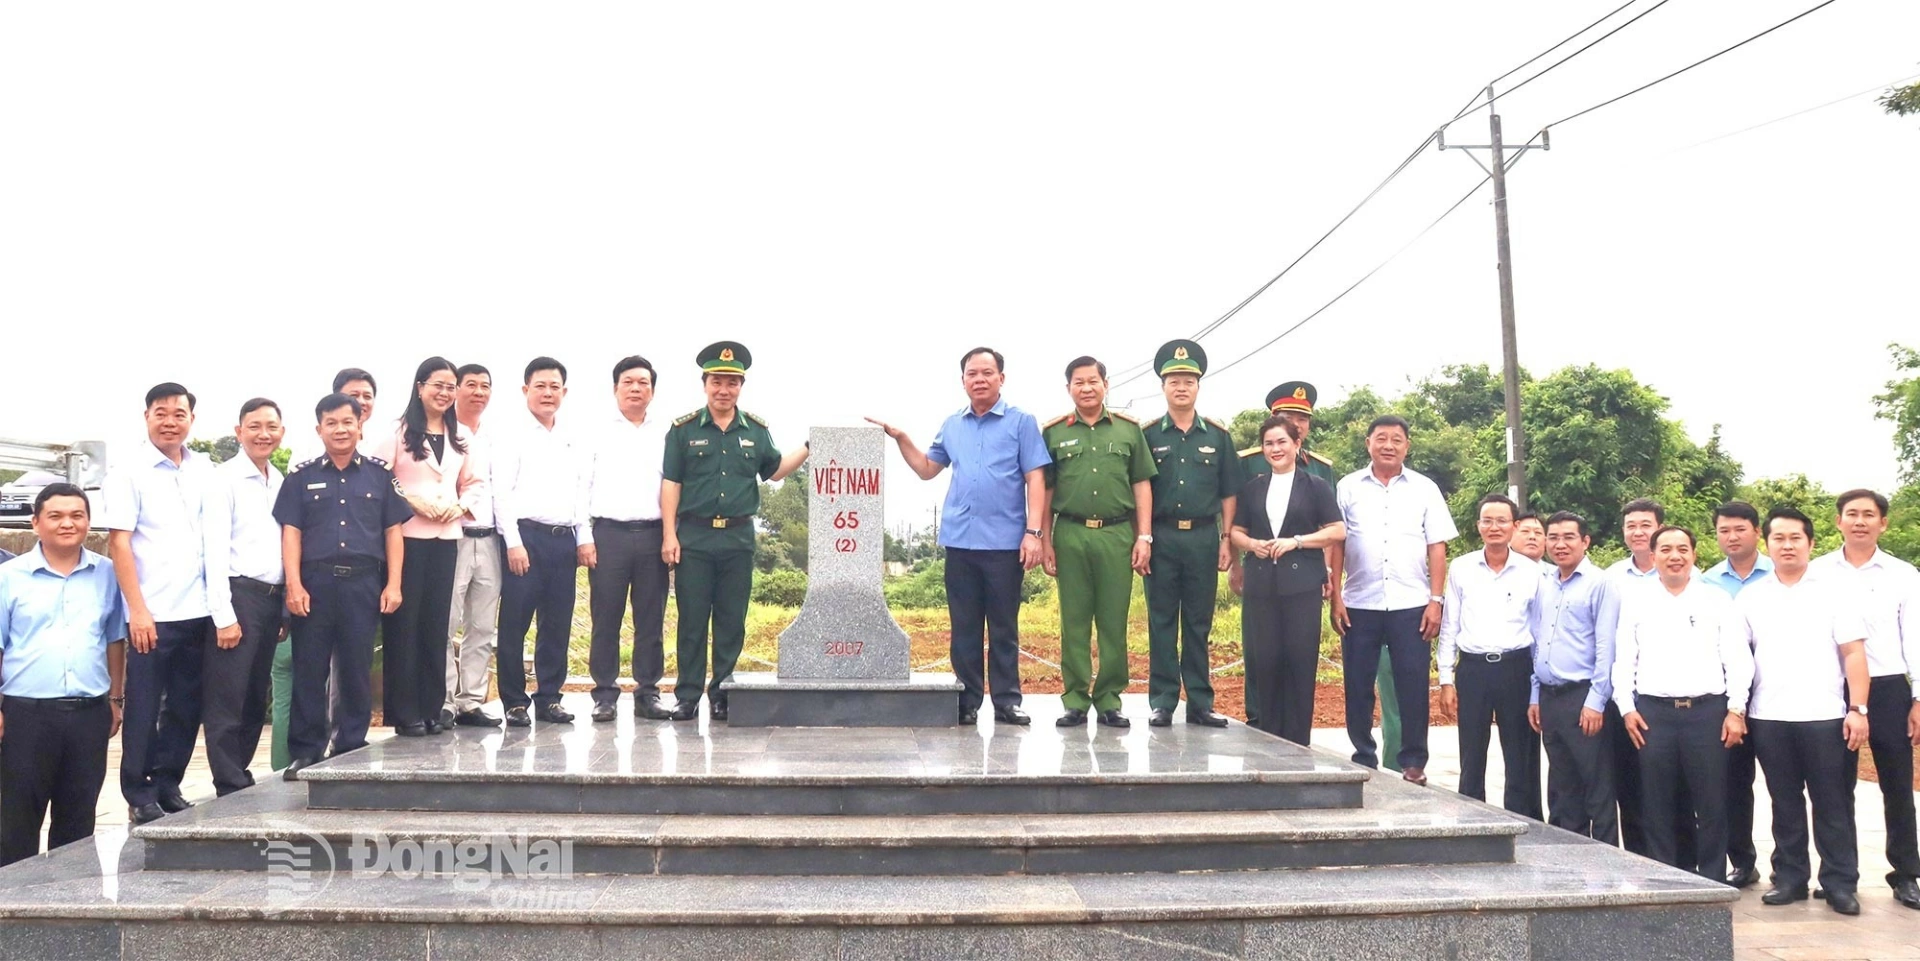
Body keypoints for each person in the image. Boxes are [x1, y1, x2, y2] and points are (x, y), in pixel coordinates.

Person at [867, 347, 1049, 726]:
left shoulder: (1021, 422)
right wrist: (901, 438)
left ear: (1002, 377)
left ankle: (1007, 701)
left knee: (1003, 626)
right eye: (971, 373)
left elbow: (1036, 477)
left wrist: (1033, 533)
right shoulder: (952, 424)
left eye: (987, 372)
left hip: (1004, 543)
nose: (979, 379)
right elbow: (928, 468)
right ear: (962, 380)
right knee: (964, 625)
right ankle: (966, 700)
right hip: (960, 542)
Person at [662, 342, 808, 722]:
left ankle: (722, 692)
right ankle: (688, 695)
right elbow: (671, 484)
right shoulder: (683, 430)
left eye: (732, 382)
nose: (723, 390)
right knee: (692, 619)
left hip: (739, 539)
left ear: (741, 385)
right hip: (693, 537)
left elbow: (774, 471)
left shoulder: (756, 431)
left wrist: (810, 447)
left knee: (731, 620)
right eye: (717, 382)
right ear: (704, 383)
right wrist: (669, 535)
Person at [1740, 506, 1872, 916]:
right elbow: (1740, 657)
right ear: (1767, 544)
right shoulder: (1752, 596)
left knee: (1832, 802)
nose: (1787, 545)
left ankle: (1839, 883)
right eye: (1779, 538)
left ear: (1811, 543)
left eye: (1796, 538)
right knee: (1784, 801)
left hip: (1825, 716)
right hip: (1769, 716)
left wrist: (1858, 708)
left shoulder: (1834, 591)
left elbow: (1853, 654)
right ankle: (1791, 878)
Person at [275, 393, 410, 779]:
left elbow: (393, 532)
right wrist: (294, 585)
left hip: (363, 582)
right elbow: (291, 534)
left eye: (347, 422)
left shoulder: (379, 476)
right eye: (331, 423)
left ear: (360, 426)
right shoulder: (301, 477)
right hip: (314, 583)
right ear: (319, 429)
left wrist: (394, 584)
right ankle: (305, 750)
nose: (340, 429)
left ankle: (351, 744)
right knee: (309, 668)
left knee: (355, 666)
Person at [1612, 525, 1754, 881]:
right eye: (1666, 550)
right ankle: (1665, 876)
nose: (1674, 557)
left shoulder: (1716, 600)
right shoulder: (1636, 600)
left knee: (1711, 801)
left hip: (1707, 713)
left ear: (1694, 554)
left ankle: (1711, 877)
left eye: (1682, 550)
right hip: (1652, 714)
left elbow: (1738, 658)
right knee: (1656, 800)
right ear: (1654, 555)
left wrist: (1736, 709)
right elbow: (1624, 659)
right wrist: (1627, 708)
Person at [0, 485, 128, 866]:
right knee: (16, 820)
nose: (67, 523)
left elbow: (114, 640)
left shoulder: (108, 574)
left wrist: (116, 699)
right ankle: (12, 910)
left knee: (78, 820)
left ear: (89, 522)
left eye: (77, 515)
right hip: (26, 715)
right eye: (55, 516)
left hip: (88, 715)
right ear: (36, 522)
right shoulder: (9, 576)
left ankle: (70, 911)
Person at [102, 382, 211, 826]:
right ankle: (138, 791)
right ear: (146, 416)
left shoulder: (204, 469)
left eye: (179, 413)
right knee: (145, 706)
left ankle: (168, 783)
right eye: (161, 412)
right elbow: (119, 544)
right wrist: (138, 610)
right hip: (153, 613)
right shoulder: (128, 472)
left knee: (187, 704)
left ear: (191, 419)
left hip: (199, 609)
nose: (170, 421)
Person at [1328, 415, 1456, 785]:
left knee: (1413, 683)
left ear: (1407, 446)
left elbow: (1437, 546)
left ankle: (1413, 762)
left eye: (1396, 439)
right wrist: (1336, 594)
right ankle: (1362, 755)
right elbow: (1336, 544)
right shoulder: (1348, 487)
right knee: (1357, 682)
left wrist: (1436, 599)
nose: (1388, 445)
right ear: (1367, 443)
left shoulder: (1425, 488)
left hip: (1412, 602)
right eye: (1380, 438)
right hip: (1359, 601)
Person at [1810, 489, 1920, 910]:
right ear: (1837, 521)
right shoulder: (1817, 572)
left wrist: (1917, 698)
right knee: (1833, 786)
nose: (1859, 521)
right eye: (1851, 514)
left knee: (1896, 783)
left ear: (1883, 523)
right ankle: (1839, 874)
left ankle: (1906, 873)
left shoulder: (1903, 573)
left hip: (1889, 685)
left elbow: (1914, 636)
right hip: (1833, 686)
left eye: (1868, 515)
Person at [1230, 383, 1360, 736]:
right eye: (1270, 443)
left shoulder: (1315, 483)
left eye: (1283, 441)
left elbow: (1336, 530)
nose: (1276, 448)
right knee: (1264, 661)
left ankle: (1297, 739)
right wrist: (1250, 545)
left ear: (1297, 443)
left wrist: (1298, 542)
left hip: (1302, 583)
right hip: (1261, 584)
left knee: (1300, 661)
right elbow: (1235, 529)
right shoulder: (1253, 484)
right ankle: (1266, 735)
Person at [1040, 356, 1155, 729]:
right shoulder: (1055, 433)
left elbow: (1141, 484)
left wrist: (1144, 536)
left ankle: (1109, 699)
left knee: (1112, 621)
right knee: (1073, 621)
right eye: (1078, 382)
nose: (1086, 388)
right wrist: (1045, 541)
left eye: (1093, 381)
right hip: (1070, 533)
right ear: (1068, 388)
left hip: (1117, 534)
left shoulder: (1127, 430)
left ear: (1106, 384)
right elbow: (1046, 489)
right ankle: (1075, 699)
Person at [369, 358, 479, 737]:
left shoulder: (461, 435)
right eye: (438, 385)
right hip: (407, 539)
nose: (445, 393)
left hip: (446, 538)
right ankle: (405, 712)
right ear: (419, 387)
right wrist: (413, 501)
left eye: (451, 386)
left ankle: (433, 709)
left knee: (437, 626)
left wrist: (460, 505)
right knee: (405, 626)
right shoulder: (397, 434)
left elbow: (475, 482)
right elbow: (379, 478)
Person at [1141, 340, 1238, 728]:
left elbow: (1230, 490)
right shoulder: (1148, 435)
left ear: (1198, 387)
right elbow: (1140, 490)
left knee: (1199, 622)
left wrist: (1227, 538)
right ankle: (1163, 700)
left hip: (1202, 538)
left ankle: (1200, 701)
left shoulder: (1217, 436)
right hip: (1162, 538)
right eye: (1174, 381)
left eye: (1188, 381)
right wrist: (1143, 538)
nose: (1181, 388)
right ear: (1163, 387)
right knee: (1161, 621)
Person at [199, 398, 287, 795]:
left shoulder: (279, 480)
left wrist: (285, 604)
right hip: (239, 595)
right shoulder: (224, 480)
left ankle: (240, 771)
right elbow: (213, 549)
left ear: (281, 432)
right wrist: (224, 614)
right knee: (227, 696)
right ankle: (228, 780)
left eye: (271, 426)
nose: (263, 434)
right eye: (254, 426)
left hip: (272, 598)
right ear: (239, 432)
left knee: (255, 694)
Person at [493, 357, 587, 728]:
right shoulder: (510, 435)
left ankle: (549, 697)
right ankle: (514, 701)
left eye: (554, 387)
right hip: (525, 538)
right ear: (525, 390)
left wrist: (584, 537)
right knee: (514, 624)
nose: (548, 393)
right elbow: (502, 493)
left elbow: (581, 490)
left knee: (557, 624)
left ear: (564, 392)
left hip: (563, 541)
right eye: (540, 386)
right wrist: (513, 543)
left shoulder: (572, 437)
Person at [1437, 494, 1544, 819]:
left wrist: (1537, 688)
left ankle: (1523, 823)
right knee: (1471, 752)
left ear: (1513, 527)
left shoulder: (1531, 571)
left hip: (1517, 668)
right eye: (1487, 520)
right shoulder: (1462, 568)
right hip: (1473, 670)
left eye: (1501, 521)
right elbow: (1450, 625)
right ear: (1477, 526)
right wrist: (1445, 679)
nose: (1494, 527)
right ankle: (1471, 821)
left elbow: (1539, 633)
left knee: (1519, 755)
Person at [581, 356, 673, 723]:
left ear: (652, 389)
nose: (636, 388)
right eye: (629, 382)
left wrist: (671, 534)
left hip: (653, 534)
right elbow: (581, 485)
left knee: (651, 619)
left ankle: (648, 692)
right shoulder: (595, 430)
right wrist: (584, 537)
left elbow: (674, 485)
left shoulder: (668, 431)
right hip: (609, 534)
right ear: (615, 387)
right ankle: (604, 694)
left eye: (644, 383)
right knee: (606, 617)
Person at [1529, 510, 1619, 842]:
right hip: (1550, 699)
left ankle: (1609, 859)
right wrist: (1535, 695)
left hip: (1583, 698)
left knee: (1596, 785)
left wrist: (1596, 701)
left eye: (1569, 537)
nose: (1560, 544)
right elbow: (1538, 641)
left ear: (1585, 541)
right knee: (1563, 787)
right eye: (1553, 537)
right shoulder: (1546, 583)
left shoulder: (1600, 583)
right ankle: (1571, 857)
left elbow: (1606, 646)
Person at [1702, 500, 1772, 888]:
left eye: (1739, 529)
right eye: (1724, 530)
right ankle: (1743, 860)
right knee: (1734, 783)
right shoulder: (1708, 582)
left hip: (1780, 697)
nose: (1731, 536)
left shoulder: (1779, 574)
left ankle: (1792, 865)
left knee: (1785, 787)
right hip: (1729, 700)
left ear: (1757, 532)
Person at [1607, 497, 1669, 856]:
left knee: (1666, 782)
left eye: (1645, 524)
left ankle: (1673, 856)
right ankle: (1636, 855)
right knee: (1629, 778)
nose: (1638, 531)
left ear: (1659, 526)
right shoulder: (1612, 577)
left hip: (1668, 693)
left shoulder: (1685, 572)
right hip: (1626, 693)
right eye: (1631, 525)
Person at [444, 363, 502, 728]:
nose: (478, 392)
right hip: (454, 538)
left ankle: (471, 701)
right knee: (446, 624)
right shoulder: (444, 433)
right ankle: (445, 701)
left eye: (485, 386)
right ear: (456, 390)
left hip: (491, 538)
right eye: (471, 385)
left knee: (482, 626)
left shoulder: (498, 435)